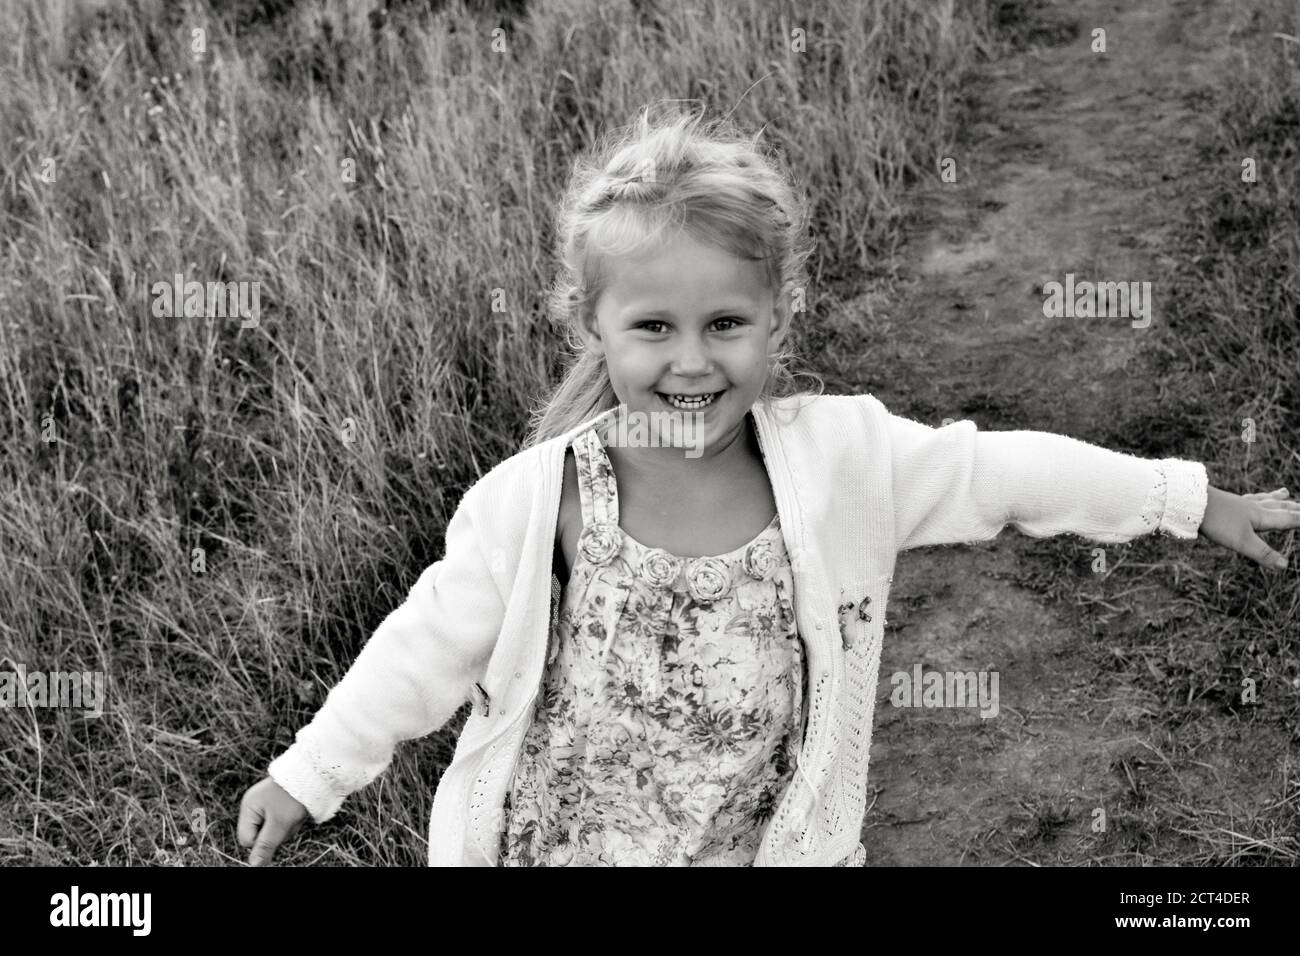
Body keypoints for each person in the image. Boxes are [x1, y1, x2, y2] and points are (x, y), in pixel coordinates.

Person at [237, 105, 1297, 867]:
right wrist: (308, 774)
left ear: (776, 322)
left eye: (724, 324)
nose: (691, 361)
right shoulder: (538, 499)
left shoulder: (842, 464)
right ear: (589, 327)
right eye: (652, 326)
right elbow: (423, 647)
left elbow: (1002, 471)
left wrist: (1184, 499)